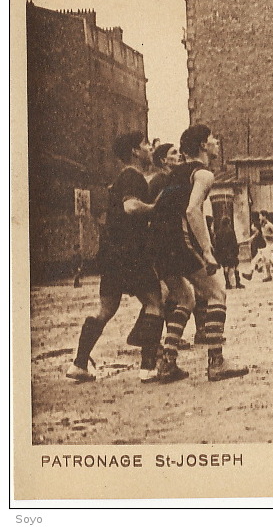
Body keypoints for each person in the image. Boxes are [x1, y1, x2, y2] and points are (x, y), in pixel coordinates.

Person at [148, 124, 249, 382]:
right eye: (213, 138)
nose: (216, 142)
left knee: (185, 299)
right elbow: (193, 211)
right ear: (204, 145)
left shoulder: (173, 174)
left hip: (157, 243)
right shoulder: (202, 174)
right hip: (178, 240)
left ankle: (168, 362)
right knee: (217, 291)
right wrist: (207, 250)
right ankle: (216, 361)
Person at [66, 132, 163, 383]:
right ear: (134, 151)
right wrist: (155, 208)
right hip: (132, 254)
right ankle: (148, 367)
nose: (149, 149)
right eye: (145, 145)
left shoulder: (121, 178)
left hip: (112, 256)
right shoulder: (132, 176)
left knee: (105, 310)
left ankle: (79, 364)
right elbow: (130, 207)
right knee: (155, 303)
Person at [214, 216, 243, 290]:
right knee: (236, 266)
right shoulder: (230, 231)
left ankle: (227, 283)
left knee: (225, 268)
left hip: (223, 253)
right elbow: (234, 243)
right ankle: (237, 283)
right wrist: (236, 252)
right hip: (230, 252)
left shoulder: (218, 232)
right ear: (229, 223)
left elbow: (217, 245)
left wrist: (217, 255)